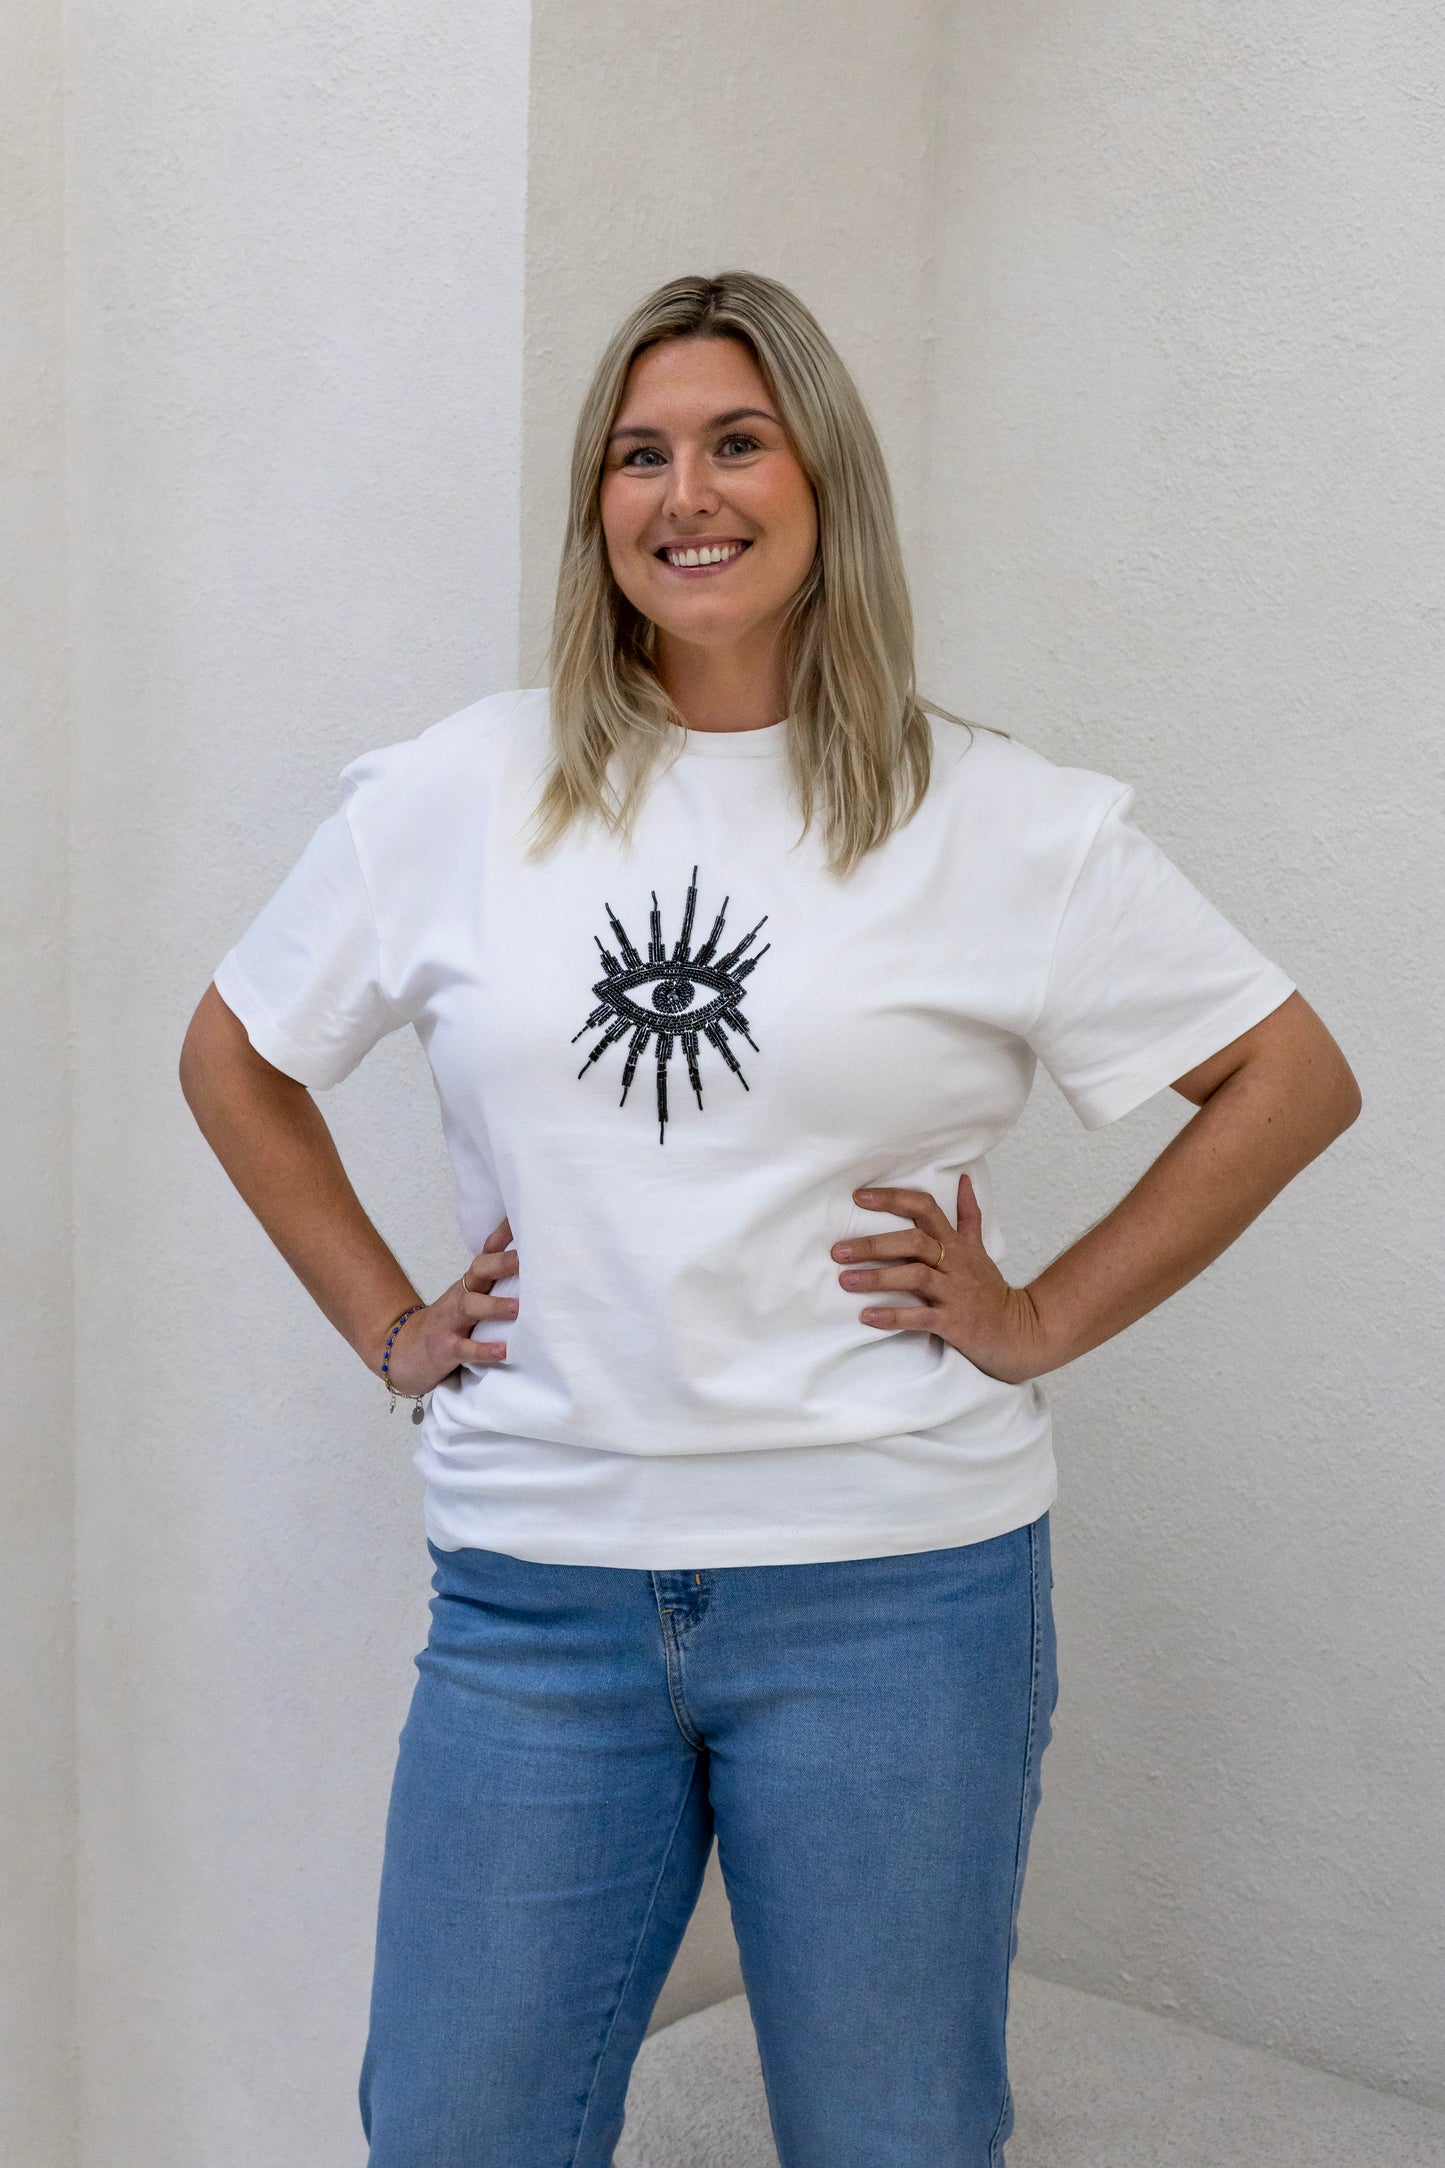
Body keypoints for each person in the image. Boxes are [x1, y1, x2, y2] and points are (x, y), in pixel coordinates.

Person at [178, 270, 1361, 2168]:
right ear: (596, 508)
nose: (685, 493)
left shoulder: (1001, 821)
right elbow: (238, 1053)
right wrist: (391, 1325)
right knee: (453, 2128)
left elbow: (1287, 1078)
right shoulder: (458, 792)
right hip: (535, 1596)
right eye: (635, 456)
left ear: (823, 484)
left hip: (894, 1590)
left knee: (891, 2139)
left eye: (737, 441)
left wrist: (1038, 1314)